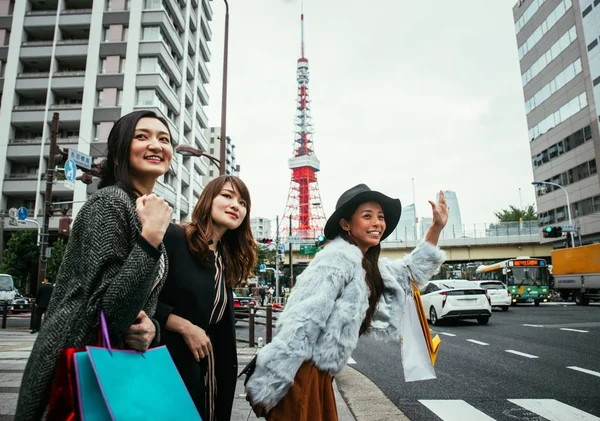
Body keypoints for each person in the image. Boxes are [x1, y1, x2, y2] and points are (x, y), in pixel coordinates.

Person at [15, 110, 174, 420]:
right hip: (75, 364)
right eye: (142, 136)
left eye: (164, 139)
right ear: (117, 154)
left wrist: (151, 330)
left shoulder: (141, 209)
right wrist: (150, 237)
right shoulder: (110, 203)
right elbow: (106, 312)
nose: (156, 145)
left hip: (110, 364)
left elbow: (137, 307)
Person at [246, 184, 449, 420]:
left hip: (319, 375)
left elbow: (408, 273)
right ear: (346, 224)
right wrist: (273, 382)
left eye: (380, 217)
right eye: (367, 216)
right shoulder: (335, 259)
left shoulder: (367, 265)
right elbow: (301, 322)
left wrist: (435, 228)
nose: (377, 223)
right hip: (301, 373)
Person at [155, 175, 257, 421]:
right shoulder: (175, 237)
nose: (236, 205)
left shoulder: (223, 258)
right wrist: (184, 326)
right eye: (227, 196)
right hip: (165, 365)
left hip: (207, 373)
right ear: (208, 200)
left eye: (243, 203)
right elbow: (136, 296)